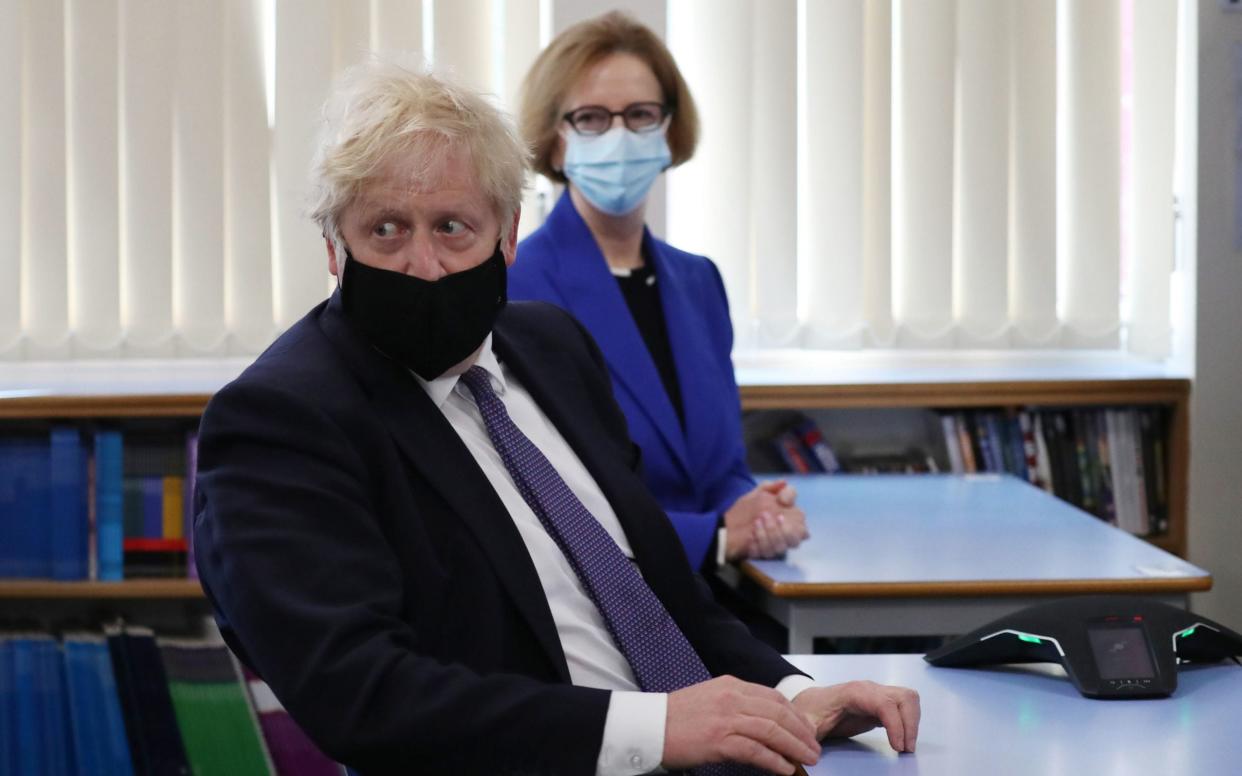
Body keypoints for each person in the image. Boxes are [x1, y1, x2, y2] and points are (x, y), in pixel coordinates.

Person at [192, 59, 918, 775]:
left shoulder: (553, 347)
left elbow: (662, 596)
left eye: (453, 227)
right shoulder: (281, 420)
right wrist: (656, 728)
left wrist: (791, 695)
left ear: (507, 237)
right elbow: (363, 695)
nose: (424, 264)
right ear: (333, 246)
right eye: (385, 229)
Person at [509, 12, 806, 572]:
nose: (620, 136)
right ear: (554, 141)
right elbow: (547, 499)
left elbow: (719, 469)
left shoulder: (698, 282)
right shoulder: (516, 288)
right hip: (608, 604)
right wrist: (716, 536)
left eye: (641, 115)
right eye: (592, 118)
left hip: (722, 596)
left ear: (669, 131)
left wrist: (757, 510)